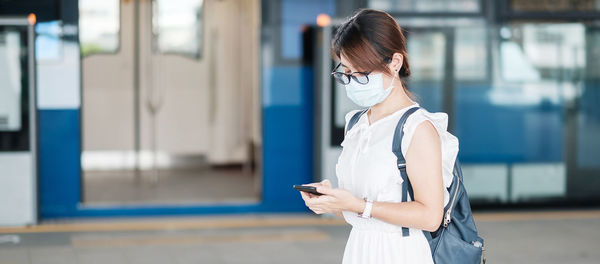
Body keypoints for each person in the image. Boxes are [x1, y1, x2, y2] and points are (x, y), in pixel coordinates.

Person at [299, 8, 459, 264]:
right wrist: (335, 203)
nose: (351, 82)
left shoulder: (417, 127)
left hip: (401, 254)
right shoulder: (356, 124)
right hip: (358, 250)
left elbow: (431, 217)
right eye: (347, 73)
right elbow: (362, 212)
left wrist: (359, 205)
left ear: (395, 63)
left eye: (362, 74)